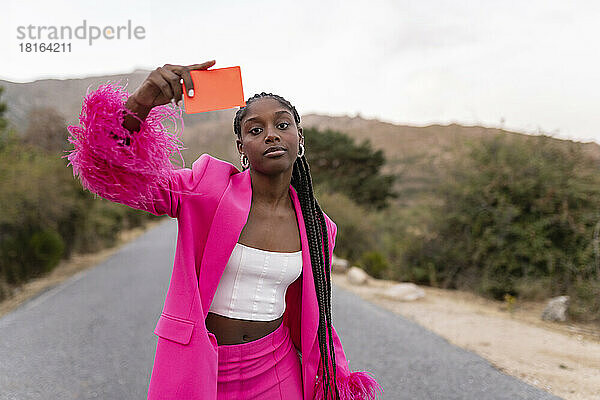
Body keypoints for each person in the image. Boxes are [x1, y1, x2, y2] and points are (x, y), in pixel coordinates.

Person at [65, 60, 383, 400]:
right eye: (255, 130)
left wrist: (336, 375)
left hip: (277, 371)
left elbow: (318, 310)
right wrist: (141, 103)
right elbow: (115, 174)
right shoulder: (206, 189)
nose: (271, 134)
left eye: (282, 124)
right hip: (201, 370)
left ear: (298, 138)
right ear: (241, 148)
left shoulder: (319, 227)